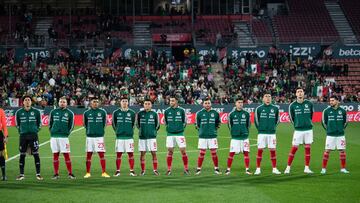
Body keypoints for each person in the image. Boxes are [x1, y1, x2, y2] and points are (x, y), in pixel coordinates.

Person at [285, 87, 314, 174]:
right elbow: (291, 118)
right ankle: (288, 167)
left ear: (303, 93)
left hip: (308, 130)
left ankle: (307, 168)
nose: (300, 93)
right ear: (296, 94)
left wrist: (307, 123)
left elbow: (311, 115)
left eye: (301, 91)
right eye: (298, 92)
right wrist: (298, 124)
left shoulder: (309, 104)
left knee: (308, 149)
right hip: (298, 130)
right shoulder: (292, 105)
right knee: (294, 148)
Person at [15, 95, 43, 180]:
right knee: (22, 154)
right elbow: (17, 124)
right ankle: (21, 174)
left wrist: (35, 130)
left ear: (31, 102)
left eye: (29, 100)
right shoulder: (19, 112)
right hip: (23, 136)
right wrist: (21, 131)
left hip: (33, 136)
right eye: (26, 100)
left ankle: (38, 174)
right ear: (23, 102)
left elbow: (40, 124)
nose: (27, 101)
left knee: (36, 154)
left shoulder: (36, 112)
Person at [254, 92, 281, 175]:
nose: (268, 98)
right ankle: (258, 169)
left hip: (272, 133)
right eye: (266, 96)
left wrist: (272, 127)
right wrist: (260, 129)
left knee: (273, 150)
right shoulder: (259, 109)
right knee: (260, 150)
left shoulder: (275, 108)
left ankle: (274, 168)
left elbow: (277, 120)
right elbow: (256, 121)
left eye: (269, 96)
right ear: (263, 98)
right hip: (262, 133)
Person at [321, 95, 349, 174]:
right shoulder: (326, 111)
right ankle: (323, 169)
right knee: (327, 151)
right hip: (330, 135)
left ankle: (343, 168)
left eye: (333, 100)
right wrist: (329, 129)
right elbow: (323, 122)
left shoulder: (343, 111)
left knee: (342, 151)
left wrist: (341, 129)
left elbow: (346, 122)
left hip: (340, 135)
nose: (331, 102)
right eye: (330, 101)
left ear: (337, 101)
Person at [49, 96, 76, 179]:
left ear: (66, 103)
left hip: (64, 138)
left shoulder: (70, 113)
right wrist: (52, 131)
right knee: (55, 155)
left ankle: (70, 173)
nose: (62, 103)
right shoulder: (53, 112)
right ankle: (56, 174)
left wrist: (67, 133)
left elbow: (71, 125)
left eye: (64, 102)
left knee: (66, 155)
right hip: (54, 137)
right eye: (61, 102)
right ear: (58, 103)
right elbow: (50, 123)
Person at [83, 97, 110, 178]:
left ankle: (104, 172)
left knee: (101, 154)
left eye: (97, 102)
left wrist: (100, 131)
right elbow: (85, 124)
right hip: (89, 137)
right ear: (91, 103)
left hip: (99, 137)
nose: (95, 103)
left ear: (99, 103)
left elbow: (105, 124)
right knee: (89, 155)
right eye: (94, 102)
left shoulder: (102, 112)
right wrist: (90, 131)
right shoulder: (86, 113)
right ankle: (88, 172)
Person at [225, 97, 252, 175]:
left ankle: (247, 169)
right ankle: (228, 169)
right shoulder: (231, 114)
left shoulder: (246, 113)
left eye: (241, 102)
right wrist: (234, 132)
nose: (240, 104)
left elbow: (249, 124)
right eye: (239, 102)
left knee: (246, 153)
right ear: (235, 103)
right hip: (235, 138)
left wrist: (245, 132)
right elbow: (229, 125)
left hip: (244, 137)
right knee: (231, 153)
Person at [164, 95, 189, 175]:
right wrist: (170, 128)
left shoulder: (182, 110)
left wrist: (180, 128)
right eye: (170, 101)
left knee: (183, 151)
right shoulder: (166, 111)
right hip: (170, 134)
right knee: (170, 151)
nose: (171, 102)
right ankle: (169, 169)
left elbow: (185, 122)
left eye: (173, 101)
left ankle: (186, 169)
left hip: (180, 134)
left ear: (176, 101)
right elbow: (165, 122)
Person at [195, 97, 221, 175]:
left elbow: (218, 123)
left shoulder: (215, 113)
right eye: (205, 103)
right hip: (202, 136)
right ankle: (198, 169)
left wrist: (213, 130)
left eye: (208, 103)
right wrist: (202, 131)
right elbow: (197, 125)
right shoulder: (199, 113)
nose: (207, 104)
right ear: (203, 104)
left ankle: (216, 168)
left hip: (212, 136)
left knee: (214, 152)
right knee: (202, 153)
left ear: (211, 104)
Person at [112, 96, 136, 177]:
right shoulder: (116, 112)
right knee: (119, 154)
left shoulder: (132, 113)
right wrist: (118, 131)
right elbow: (114, 124)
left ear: (128, 102)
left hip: (129, 137)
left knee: (131, 154)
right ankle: (118, 171)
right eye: (123, 101)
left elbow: (133, 124)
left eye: (126, 101)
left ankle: (132, 171)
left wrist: (130, 132)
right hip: (119, 137)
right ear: (120, 102)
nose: (124, 102)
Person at [137, 98, 160, 176]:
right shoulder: (140, 114)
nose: (147, 105)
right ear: (143, 105)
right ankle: (143, 170)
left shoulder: (154, 114)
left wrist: (153, 132)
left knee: (153, 153)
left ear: (151, 105)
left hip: (152, 137)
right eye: (145, 104)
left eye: (148, 104)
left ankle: (155, 170)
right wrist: (141, 131)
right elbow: (137, 124)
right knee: (142, 154)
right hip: (142, 137)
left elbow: (158, 125)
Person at [0, 106, 8, 181]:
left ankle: (4, 175)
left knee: (1, 154)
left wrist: (5, 136)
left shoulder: (1, 111)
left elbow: (4, 124)